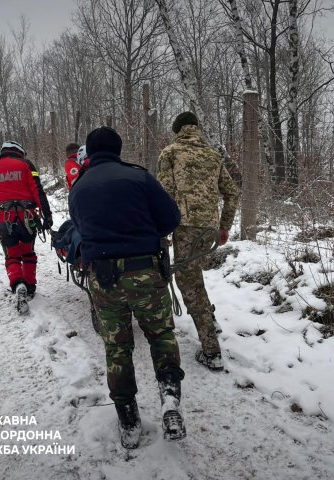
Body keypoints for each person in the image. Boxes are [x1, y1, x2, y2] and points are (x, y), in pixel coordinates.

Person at [69, 126, 185, 449]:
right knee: (161, 335)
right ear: (119, 150)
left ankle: (128, 419)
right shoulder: (140, 178)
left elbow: (79, 227)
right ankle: (170, 398)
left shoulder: (78, 189)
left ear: (89, 154)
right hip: (146, 271)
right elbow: (171, 218)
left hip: (104, 278)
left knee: (117, 347)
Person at [157, 111, 239, 371]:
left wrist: (161, 230)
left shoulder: (170, 153)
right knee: (194, 278)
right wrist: (224, 227)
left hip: (186, 228)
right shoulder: (214, 155)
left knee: (189, 285)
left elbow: (164, 195)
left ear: (178, 130)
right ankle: (210, 321)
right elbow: (232, 192)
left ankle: (211, 351)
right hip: (209, 231)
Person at [0, 141, 53, 302]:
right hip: (27, 217)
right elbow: (37, 190)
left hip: (4, 218)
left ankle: (17, 284)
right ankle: (30, 287)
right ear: (19, 152)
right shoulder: (26, 165)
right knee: (28, 252)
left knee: (11, 255)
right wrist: (47, 214)